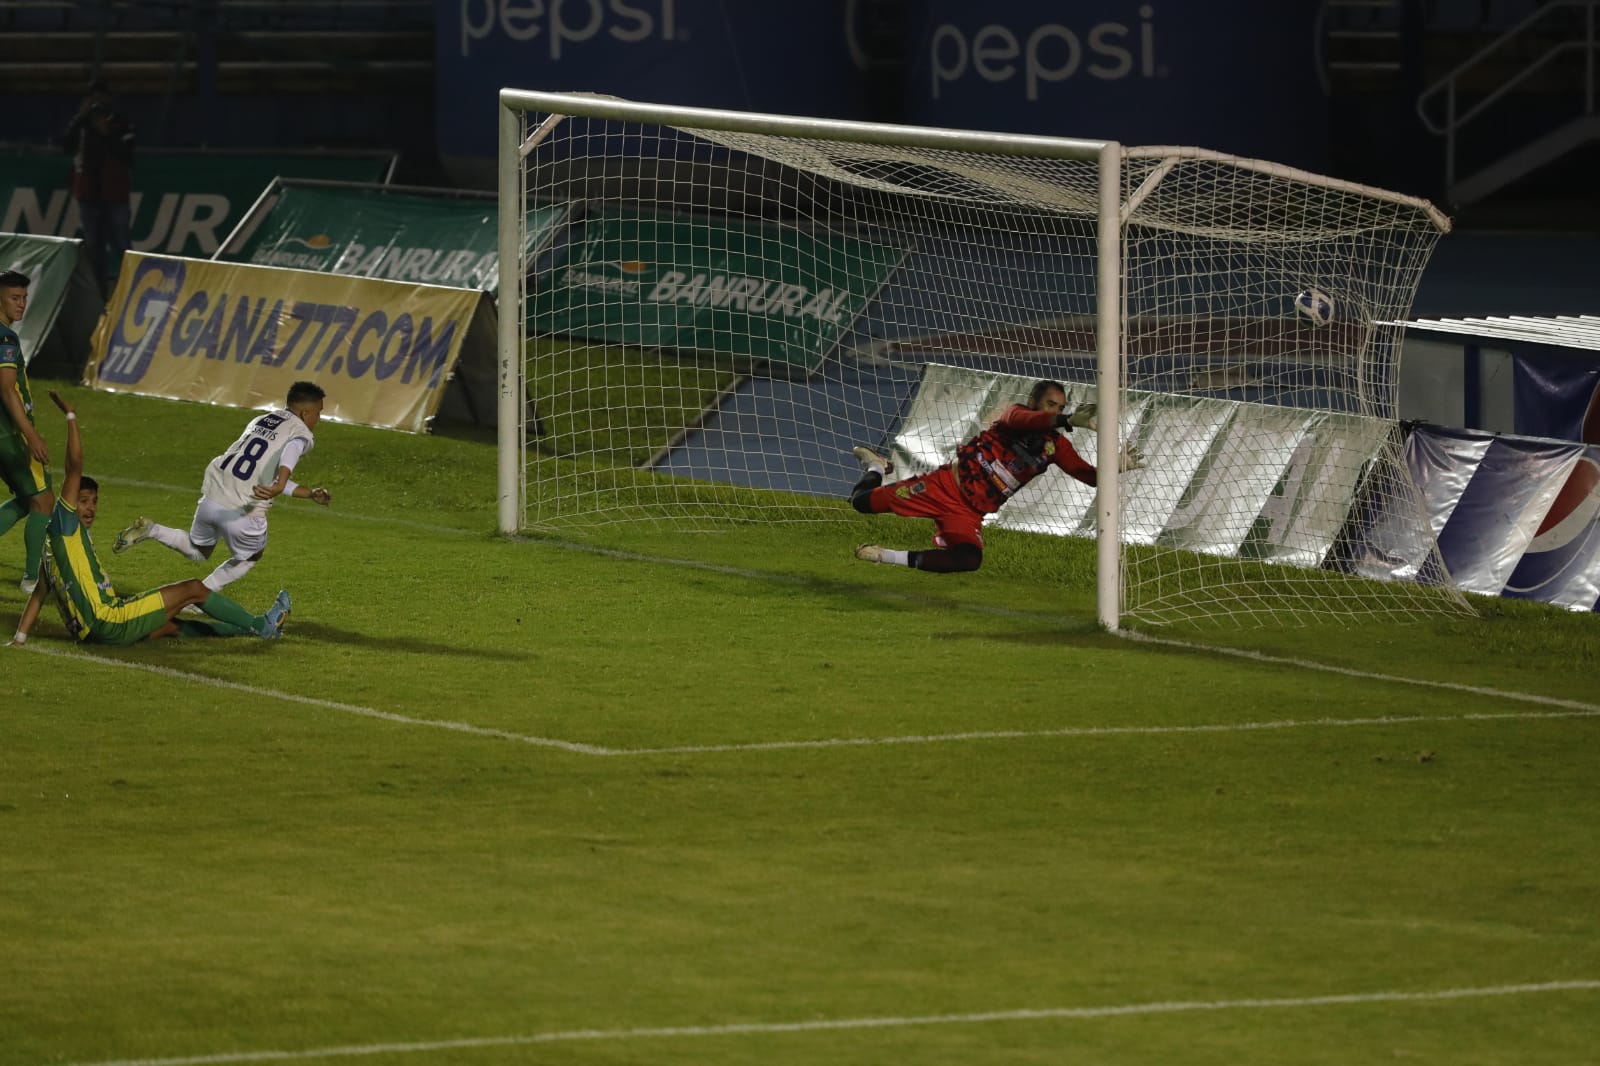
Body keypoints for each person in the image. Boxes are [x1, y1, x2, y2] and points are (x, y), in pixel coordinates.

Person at [9, 391, 291, 647]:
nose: (90, 508)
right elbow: (74, 467)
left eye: (94, 502)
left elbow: (38, 595)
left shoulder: (51, 550)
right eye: (83, 501)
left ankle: (250, 630)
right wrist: (70, 416)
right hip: (111, 620)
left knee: (169, 625)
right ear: (69, 502)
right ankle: (260, 625)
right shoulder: (64, 522)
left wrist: (19, 639)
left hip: (90, 632)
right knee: (193, 588)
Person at [848, 379, 1142, 573]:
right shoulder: (1015, 416)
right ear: (1034, 402)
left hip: (969, 512)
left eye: (1062, 407)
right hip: (945, 486)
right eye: (1051, 404)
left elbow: (1089, 476)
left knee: (968, 559)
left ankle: (884, 556)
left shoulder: (1055, 446)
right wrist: (1065, 419)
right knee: (860, 502)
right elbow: (1026, 419)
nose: (1056, 410)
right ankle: (876, 466)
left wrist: (1116, 466)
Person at [114, 381, 332, 591]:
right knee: (252, 556)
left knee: (199, 551)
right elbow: (290, 453)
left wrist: (309, 493)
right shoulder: (300, 432)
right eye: (318, 413)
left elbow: (264, 473)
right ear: (305, 413)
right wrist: (282, 482)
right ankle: (198, 599)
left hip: (214, 493)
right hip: (242, 506)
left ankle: (153, 530)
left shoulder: (261, 420)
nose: (319, 419)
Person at [0, 270, 55, 593]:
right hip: (10, 435)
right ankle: (33, 579)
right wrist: (31, 436)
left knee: (26, 498)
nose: (22, 305)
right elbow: (7, 390)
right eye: (14, 298)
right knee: (43, 501)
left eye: (24, 298)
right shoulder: (5, 338)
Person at [63, 78, 135, 298]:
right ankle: (100, 294)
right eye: (92, 97)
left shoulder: (121, 123)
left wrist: (106, 133)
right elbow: (66, 145)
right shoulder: (82, 125)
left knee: (121, 243)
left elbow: (127, 154)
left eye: (100, 96)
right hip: (88, 193)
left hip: (115, 194)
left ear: (109, 98)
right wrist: (79, 118)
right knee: (94, 245)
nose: (97, 102)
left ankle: (131, 289)